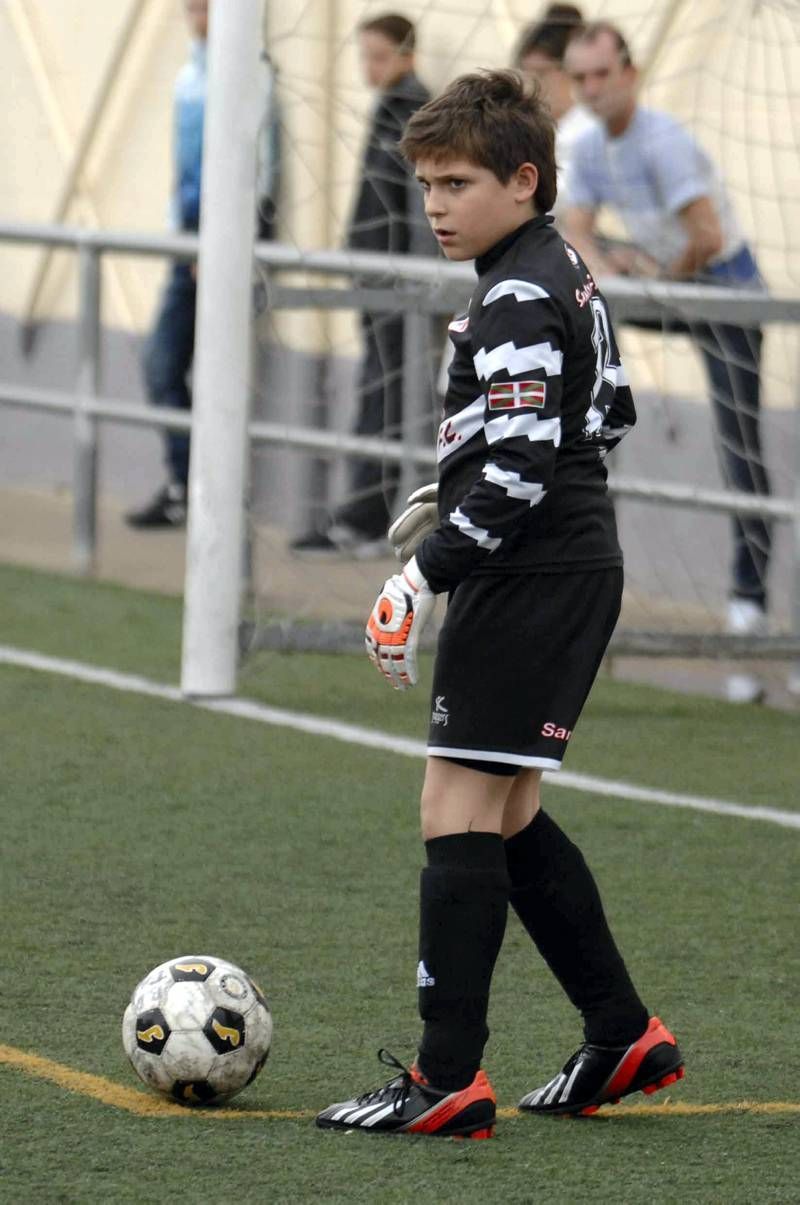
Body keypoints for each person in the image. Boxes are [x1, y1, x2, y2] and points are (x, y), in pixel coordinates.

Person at [315, 69, 683, 1140]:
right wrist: (472, 470)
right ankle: (619, 1033)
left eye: (458, 181)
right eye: (425, 182)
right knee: (505, 812)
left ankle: (444, 1080)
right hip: (562, 563)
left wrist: (419, 576)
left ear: (523, 178)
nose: (434, 203)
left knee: (453, 811)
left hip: (530, 574)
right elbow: (601, 413)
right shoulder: (556, 264)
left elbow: (525, 461)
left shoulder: (515, 288)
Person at [561, 21, 772, 703]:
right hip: (664, 282)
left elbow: (707, 237)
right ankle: (577, 574)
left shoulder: (663, 141)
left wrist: (650, 279)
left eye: (602, 74)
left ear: (630, 72)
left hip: (724, 291)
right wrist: (616, 267)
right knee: (582, 364)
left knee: (741, 450)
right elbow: (579, 232)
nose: (591, 89)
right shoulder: (588, 144)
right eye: (580, 77)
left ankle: (751, 606)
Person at [126, 0, 279, 529]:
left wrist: (229, 235)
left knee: (201, 367)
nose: (197, 16)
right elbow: (185, 165)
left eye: (205, 7)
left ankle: (201, 487)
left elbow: (260, 168)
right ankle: (187, 482)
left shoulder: (252, 73)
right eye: (191, 8)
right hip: (189, 240)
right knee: (162, 366)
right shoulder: (187, 75)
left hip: (223, 240)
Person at [290, 13, 437, 556]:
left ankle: (371, 518)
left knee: (391, 394)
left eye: (378, 56)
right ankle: (369, 514)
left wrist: (424, 283)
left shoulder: (415, 111)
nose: (368, 67)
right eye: (364, 56)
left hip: (402, 290)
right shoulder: (389, 107)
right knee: (380, 389)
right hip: (379, 285)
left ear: (406, 55)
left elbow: (419, 211)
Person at [514, 3, 593, 211]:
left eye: (541, 73)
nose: (531, 84)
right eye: (526, 74)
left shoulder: (590, 131)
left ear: (569, 71)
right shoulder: (522, 128)